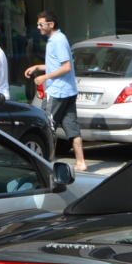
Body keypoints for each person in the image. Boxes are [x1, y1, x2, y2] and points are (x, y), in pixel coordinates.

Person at [25, 11, 87, 171]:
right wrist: (38, 67)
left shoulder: (57, 41)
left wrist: (44, 77)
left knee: (46, 126)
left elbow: (66, 67)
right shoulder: (59, 39)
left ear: (50, 24)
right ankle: (81, 162)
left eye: (41, 24)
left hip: (58, 91)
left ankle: (46, 163)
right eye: (37, 24)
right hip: (67, 91)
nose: (38, 28)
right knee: (72, 128)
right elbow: (59, 64)